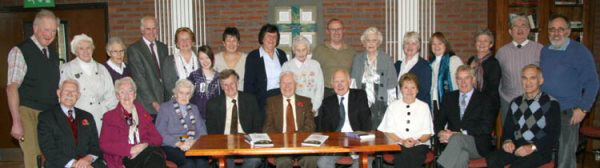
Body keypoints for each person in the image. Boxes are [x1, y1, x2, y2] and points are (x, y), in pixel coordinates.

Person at [540, 15, 599, 168]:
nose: (556, 33)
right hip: (546, 109)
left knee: (565, 156)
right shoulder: (545, 51)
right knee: (546, 153)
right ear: (548, 32)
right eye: (552, 29)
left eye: (561, 29)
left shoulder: (580, 52)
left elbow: (593, 83)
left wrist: (583, 108)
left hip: (568, 112)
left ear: (568, 31)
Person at [6, 9, 60, 168]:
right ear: (35, 28)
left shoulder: (51, 53)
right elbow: (11, 87)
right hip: (28, 113)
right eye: (46, 29)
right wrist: (16, 121)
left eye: (53, 31)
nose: (49, 34)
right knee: (34, 159)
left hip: (48, 114)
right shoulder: (20, 51)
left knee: (49, 157)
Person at [486, 64, 560, 168]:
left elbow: (553, 135)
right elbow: (507, 130)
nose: (528, 82)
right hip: (517, 147)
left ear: (541, 80)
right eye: (524, 78)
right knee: (493, 159)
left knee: (519, 166)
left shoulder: (551, 104)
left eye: (532, 78)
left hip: (539, 150)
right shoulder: (515, 103)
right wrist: (507, 141)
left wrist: (531, 147)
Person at [435, 65, 496, 168]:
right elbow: (438, 122)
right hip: (453, 146)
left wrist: (460, 134)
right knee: (462, 156)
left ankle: (440, 166)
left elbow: (486, 127)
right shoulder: (449, 97)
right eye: (459, 78)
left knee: (457, 139)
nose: (463, 82)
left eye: (466, 78)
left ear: (473, 79)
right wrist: (441, 132)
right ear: (456, 81)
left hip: (477, 145)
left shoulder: (485, 99)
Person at [38, 79, 107, 168]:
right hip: (61, 164)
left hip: (88, 164)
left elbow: (95, 146)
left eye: (73, 92)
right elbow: (49, 149)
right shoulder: (46, 117)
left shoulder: (87, 116)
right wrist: (74, 164)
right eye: (66, 91)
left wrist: (88, 159)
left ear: (78, 96)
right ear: (59, 93)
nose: (69, 94)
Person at [99, 77, 165, 168]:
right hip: (124, 157)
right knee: (155, 156)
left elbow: (158, 138)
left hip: (146, 153)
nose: (126, 96)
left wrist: (144, 145)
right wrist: (130, 149)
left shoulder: (144, 114)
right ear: (117, 96)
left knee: (153, 155)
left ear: (135, 94)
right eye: (122, 92)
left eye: (130, 91)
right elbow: (104, 144)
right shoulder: (109, 117)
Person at [60, 33, 118, 133]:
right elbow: (63, 98)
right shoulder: (67, 69)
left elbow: (111, 96)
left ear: (92, 49)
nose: (85, 51)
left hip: (101, 118)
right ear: (75, 51)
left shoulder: (102, 69)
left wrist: (115, 117)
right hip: (78, 118)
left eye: (88, 48)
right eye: (81, 48)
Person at [205, 69, 263, 167]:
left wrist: (250, 140)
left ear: (237, 83)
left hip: (247, 141)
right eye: (225, 85)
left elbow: (257, 126)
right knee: (226, 162)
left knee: (254, 160)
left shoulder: (250, 100)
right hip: (223, 142)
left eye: (232, 83)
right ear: (221, 86)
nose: (229, 87)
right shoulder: (212, 104)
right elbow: (211, 131)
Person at [317, 69, 372, 168]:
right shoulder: (327, 102)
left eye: (342, 81)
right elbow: (323, 128)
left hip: (358, 142)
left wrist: (359, 143)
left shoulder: (360, 96)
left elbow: (366, 123)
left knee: (364, 163)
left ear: (349, 82)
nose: (339, 85)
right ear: (332, 84)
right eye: (336, 82)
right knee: (323, 162)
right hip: (336, 145)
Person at [263, 72, 318, 168]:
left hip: (302, 145)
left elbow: (310, 126)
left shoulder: (305, 101)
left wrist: (295, 139)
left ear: (296, 85)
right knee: (284, 161)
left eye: (290, 83)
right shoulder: (272, 102)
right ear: (279, 85)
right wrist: (283, 140)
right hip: (281, 147)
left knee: (310, 159)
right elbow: (267, 128)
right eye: (283, 83)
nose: (286, 86)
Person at [378, 73, 434, 168]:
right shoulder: (393, 106)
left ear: (417, 90)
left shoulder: (424, 106)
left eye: (413, 87)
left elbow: (427, 133)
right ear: (401, 90)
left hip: (419, 144)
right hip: (398, 143)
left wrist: (416, 141)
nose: (409, 91)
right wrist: (402, 141)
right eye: (406, 87)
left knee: (414, 154)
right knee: (402, 154)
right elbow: (388, 131)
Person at [496, 15, 543, 125]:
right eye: (516, 26)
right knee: (510, 137)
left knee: (531, 135)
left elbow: (545, 76)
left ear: (528, 30)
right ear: (510, 31)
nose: (520, 29)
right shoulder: (502, 52)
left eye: (523, 26)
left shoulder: (540, 49)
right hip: (508, 101)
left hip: (533, 101)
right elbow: (497, 78)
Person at [350, 27, 397, 129]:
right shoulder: (358, 59)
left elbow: (392, 85)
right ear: (364, 42)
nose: (371, 43)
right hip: (361, 100)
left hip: (380, 101)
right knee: (362, 130)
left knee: (379, 131)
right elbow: (352, 83)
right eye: (368, 40)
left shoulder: (386, 59)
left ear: (378, 42)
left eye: (374, 40)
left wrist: (392, 107)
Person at [156, 79, 209, 168]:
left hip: (192, 143)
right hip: (172, 145)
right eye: (181, 93)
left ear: (191, 95)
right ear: (176, 92)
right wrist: (179, 144)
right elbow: (160, 132)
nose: (184, 96)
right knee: (188, 164)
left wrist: (194, 142)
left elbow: (202, 131)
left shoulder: (194, 108)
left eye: (187, 93)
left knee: (202, 162)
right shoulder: (165, 108)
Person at [245, 24, 288, 121]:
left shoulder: (282, 54)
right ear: (262, 38)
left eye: (275, 36)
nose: (272, 39)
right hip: (262, 101)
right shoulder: (253, 57)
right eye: (269, 36)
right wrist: (251, 106)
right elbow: (248, 84)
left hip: (281, 97)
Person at [127, 16, 169, 115]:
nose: (152, 32)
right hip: (147, 104)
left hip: (165, 102)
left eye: (154, 28)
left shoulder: (163, 47)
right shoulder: (134, 49)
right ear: (142, 30)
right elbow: (139, 78)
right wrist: (153, 101)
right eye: (148, 29)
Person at [313, 19, 356, 98]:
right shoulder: (319, 50)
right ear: (328, 32)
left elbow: (354, 75)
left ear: (343, 31)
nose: (336, 32)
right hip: (326, 93)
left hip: (346, 92)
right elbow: (313, 73)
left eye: (339, 29)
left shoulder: (351, 51)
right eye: (333, 30)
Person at [282, 36, 324, 115]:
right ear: (294, 50)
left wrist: (314, 108)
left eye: (303, 50)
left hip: (312, 110)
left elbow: (320, 89)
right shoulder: (287, 66)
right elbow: (284, 88)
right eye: (298, 50)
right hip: (293, 110)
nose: (301, 53)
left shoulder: (315, 65)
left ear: (308, 50)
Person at [467, 29, 501, 113]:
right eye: (479, 41)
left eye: (485, 41)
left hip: (488, 105)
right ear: (475, 43)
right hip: (471, 103)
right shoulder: (471, 60)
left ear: (491, 44)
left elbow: (492, 88)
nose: (482, 43)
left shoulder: (493, 63)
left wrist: (479, 102)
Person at [428, 32, 462, 113]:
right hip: (434, 102)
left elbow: (461, 82)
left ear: (445, 45)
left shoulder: (454, 60)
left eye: (440, 43)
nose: (436, 46)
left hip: (451, 102)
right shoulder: (430, 64)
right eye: (433, 44)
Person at [395, 31, 432, 106]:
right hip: (398, 107)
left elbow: (424, 91)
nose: (410, 46)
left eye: (413, 44)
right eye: (407, 43)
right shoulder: (397, 65)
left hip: (416, 108)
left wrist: (408, 104)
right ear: (403, 46)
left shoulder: (424, 66)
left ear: (418, 46)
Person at [162, 27, 200, 98]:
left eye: (187, 39)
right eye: (181, 39)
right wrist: (183, 96)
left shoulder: (200, 59)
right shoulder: (169, 61)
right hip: (176, 101)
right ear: (177, 43)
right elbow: (168, 85)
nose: (184, 42)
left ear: (192, 42)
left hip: (198, 101)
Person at [188, 45, 221, 118]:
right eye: (201, 58)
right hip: (197, 117)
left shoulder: (219, 77)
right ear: (198, 60)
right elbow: (188, 97)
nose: (205, 61)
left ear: (212, 59)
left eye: (207, 57)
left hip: (215, 117)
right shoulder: (193, 76)